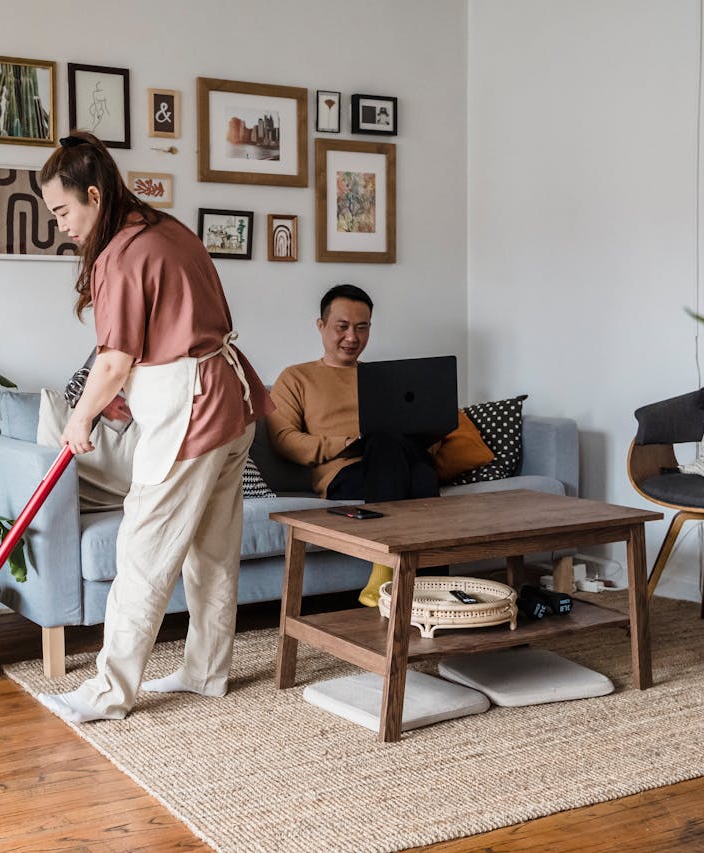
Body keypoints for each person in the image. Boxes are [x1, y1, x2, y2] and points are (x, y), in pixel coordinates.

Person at [35, 131, 273, 724]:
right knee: (213, 550)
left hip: (190, 411)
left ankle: (110, 693)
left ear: (93, 194)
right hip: (232, 399)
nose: (61, 224)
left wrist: (81, 416)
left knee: (142, 550)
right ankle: (206, 670)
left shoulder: (120, 253)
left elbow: (116, 361)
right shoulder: (167, 229)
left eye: (64, 210)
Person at [267, 284, 439, 607]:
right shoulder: (296, 378)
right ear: (321, 326)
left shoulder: (385, 379)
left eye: (362, 328)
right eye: (342, 327)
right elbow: (283, 441)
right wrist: (343, 444)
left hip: (394, 461)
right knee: (412, 466)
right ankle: (399, 572)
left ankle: (414, 589)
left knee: (417, 466)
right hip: (344, 474)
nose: (352, 337)